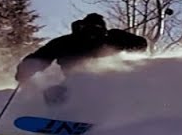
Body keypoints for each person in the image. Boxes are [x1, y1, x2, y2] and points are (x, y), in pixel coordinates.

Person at [14, 13, 149, 102]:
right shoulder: (66, 42)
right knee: (54, 93)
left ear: (103, 29)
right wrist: (26, 69)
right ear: (81, 27)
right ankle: (57, 121)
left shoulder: (111, 40)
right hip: (74, 84)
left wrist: (123, 37)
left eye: (97, 28)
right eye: (89, 28)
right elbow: (41, 56)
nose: (93, 32)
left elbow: (141, 45)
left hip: (108, 84)